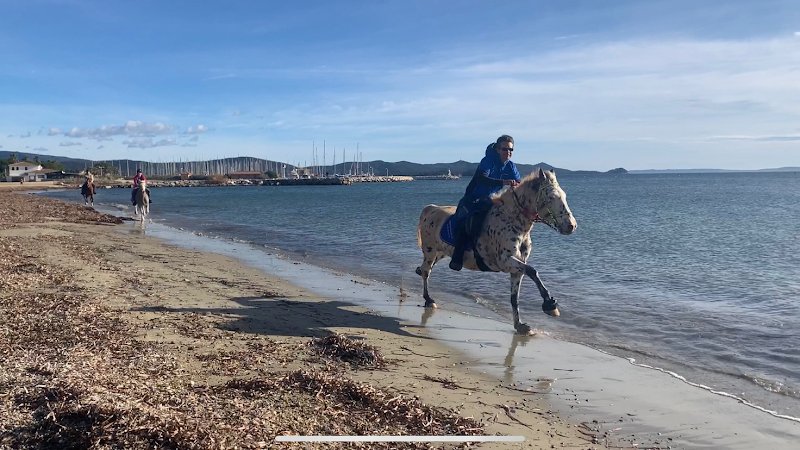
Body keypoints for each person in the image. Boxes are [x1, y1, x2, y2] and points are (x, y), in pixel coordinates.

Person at [449, 134, 521, 271]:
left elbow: (518, 183)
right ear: (498, 149)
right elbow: (483, 179)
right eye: (505, 149)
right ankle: (457, 257)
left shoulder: (511, 166)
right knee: (471, 222)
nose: (508, 153)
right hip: (474, 198)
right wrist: (504, 182)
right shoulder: (488, 160)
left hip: (494, 199)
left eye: (511, 150)